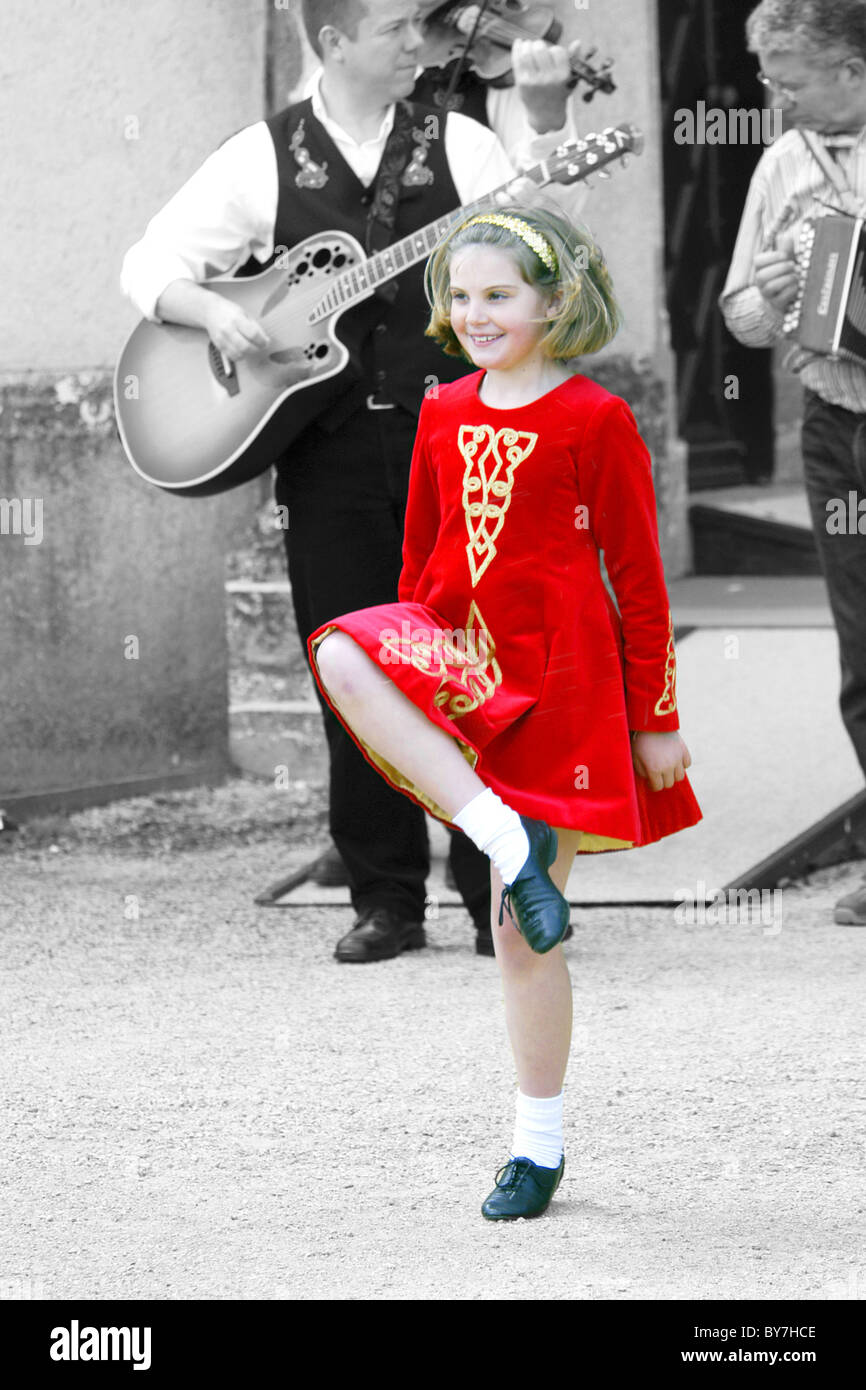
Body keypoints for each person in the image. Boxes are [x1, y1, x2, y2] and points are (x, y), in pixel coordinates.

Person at [121, 0, 582, 962]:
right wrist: (211, 311)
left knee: (475, 665)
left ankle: (493, 886)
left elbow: (550, 252)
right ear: (333, 44)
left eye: (420, 28)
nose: (420, 44)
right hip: (327, 457)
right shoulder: (263, 156)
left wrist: (547, 129)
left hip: (463, 450)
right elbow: (150, 264)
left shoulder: (462, 142)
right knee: (354, 669)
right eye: (398, 31)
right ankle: (384, 896)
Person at [310, 204, 702, 1218]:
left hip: (562, 691)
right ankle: (497, 831)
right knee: (346, 648)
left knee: (521, 936)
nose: (474, 313)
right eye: (461, 296)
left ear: (552, 301)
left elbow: (639, 579)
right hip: (461, 666)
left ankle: (536, 1147)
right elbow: (417, 558)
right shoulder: (441, 411)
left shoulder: (594, 419)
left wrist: (654, 716)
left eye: (498, 296)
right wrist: (412, 657)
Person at [719, 0, 866, 926]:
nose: (773, 98)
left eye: (792, 79)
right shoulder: (784, 164)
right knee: (861, 646)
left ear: (852, 67)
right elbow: (740, 312)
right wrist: (773, 295)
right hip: (835, 423)